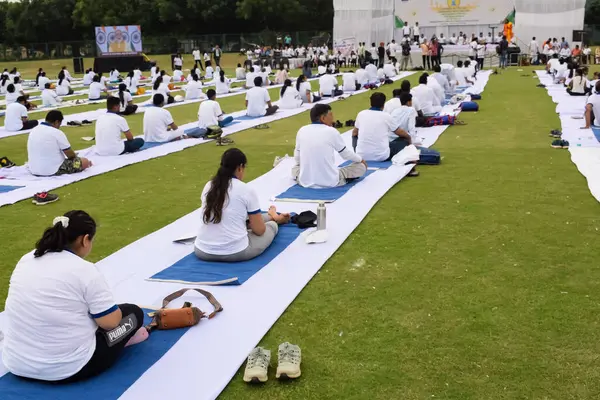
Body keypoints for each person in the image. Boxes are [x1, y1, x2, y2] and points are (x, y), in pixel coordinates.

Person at [2, 210, 148, 383]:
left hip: (17, 362)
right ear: (85, 239)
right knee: (133, 313)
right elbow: (110, 323)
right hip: (70, 367)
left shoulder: (27, 258)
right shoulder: (84, 270)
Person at [194, 149, 290, 262]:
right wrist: (273, 222)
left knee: (248, 219)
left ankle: (272, 215)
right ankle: (276, 219)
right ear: (240, 167)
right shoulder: (245, 189)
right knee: (272, 226)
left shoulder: (209, 185)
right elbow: (259, 230)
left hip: (202, 250)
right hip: (236, 252)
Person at [292, 103, 366, 188]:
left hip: (305, 180)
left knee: (295, 168)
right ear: (323, 118)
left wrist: (307, 168)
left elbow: (297, 158)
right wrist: (360, 160)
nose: (333, 118)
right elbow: (345, 154)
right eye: (330, 115)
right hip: (330, 181)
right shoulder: (331, 131)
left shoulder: (302, 130)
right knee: (361, 167)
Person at [353, 92, 416, 174]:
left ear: (370, 102)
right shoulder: (386, 116)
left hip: (361, 155)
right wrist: (409, 138)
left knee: (354, 136)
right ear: (383, 104)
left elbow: (354, 133)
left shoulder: (361, 114)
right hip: (381, 156)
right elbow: (400, 132)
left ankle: (356, 152)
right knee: (403, 140)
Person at [27, 111, 92, 176]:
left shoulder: (34, 130)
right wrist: (77, 158)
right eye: (59, 124)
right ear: (57, 122)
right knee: (84, 161)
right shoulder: (56, 132)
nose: (59, 127)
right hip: (52, 169)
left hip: (33, 168)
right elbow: (70, 155)